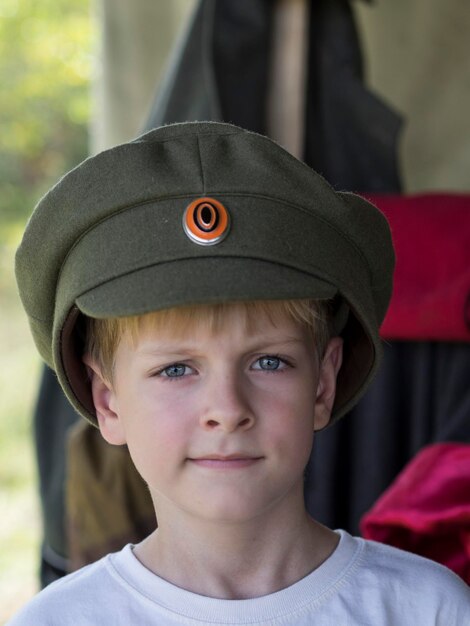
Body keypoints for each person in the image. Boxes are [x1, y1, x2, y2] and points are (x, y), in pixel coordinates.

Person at [10, 121, 469, 624]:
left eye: (268, 362)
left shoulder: (428, 609)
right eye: (176, 369)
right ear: (108, 401)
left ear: (322, 383)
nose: (227, 411)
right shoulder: (59, 621)